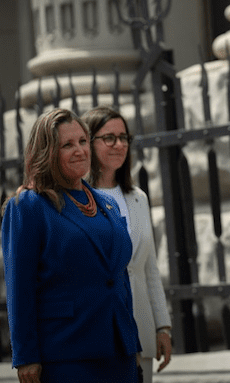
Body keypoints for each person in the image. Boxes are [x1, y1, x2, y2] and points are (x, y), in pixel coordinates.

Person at [2, 108, 140, 382]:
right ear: (48, 152)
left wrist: (132, 342)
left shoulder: (107, 204)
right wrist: (26, 356)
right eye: (67, 144)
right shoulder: (28, 206)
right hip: (66, 352)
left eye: (82, 141)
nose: (79, 150)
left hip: (119, 349)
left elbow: (120, 278)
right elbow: (20, 286)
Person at [83, 106, 172, 382]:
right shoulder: (77, 199)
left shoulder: (138, 198)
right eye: (109, 138)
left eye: (124, 137)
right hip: (97, 330)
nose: (119, 144)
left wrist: (162, 326)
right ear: (89, 142)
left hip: (140, 326)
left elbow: (149, 269)